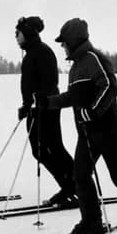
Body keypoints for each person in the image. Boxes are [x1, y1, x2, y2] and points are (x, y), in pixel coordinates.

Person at [45, 18, 117, 234]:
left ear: (73, 40)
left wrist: (93, 111)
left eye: (64, 42)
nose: (62, 46)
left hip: (107, 131)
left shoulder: (93, 59)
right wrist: (48, 102)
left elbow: (110, 86)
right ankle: (91, 222)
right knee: (80, 175)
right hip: (87, 133)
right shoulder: (76, 66)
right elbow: (74, 96)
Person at [15, 16, 76, 206]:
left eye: (18, 34)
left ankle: (75, 186)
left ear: (27, 33)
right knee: (41, 150)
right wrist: (26, 105)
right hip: (35, 109)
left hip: (47, 108)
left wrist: (38, 102)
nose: (16, 37)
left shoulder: (43, 52)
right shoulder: (31, 53)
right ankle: (70, 186)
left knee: (53, 148)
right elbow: (28, 84)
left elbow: (50, 84)